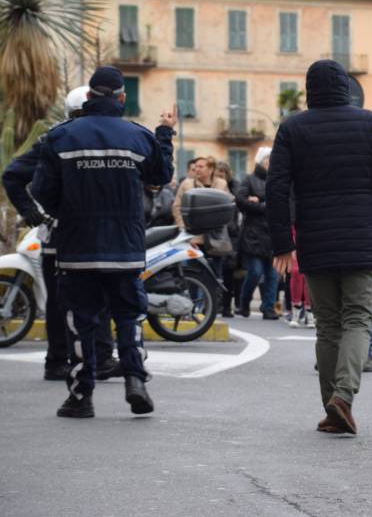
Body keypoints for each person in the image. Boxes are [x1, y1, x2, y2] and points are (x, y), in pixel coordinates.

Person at [266, 59, 372, 436]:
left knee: (327, 325)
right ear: (346, 86)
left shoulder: (293, 128)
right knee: (358, 319)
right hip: (361, 237)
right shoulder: (370, 123)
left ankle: (332, 405)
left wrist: (282, 242)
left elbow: (276, 188)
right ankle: (343, 398)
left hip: (316, 238)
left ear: (310, 89)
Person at [30, 66, 175, 418]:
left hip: (77, 248)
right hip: (124, 248)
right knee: (129, 315)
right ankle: (136, 381)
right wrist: (165, 135)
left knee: (81, 321)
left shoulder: (61, 137)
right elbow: (162, 175)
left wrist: (69, 213)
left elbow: (41, 191)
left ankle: (81, 397)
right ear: (122, 97)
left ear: (89, 95)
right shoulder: (137, 137)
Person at [2, 86, 119, 382]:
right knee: (60, 302)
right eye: (83, 114)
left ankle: (102, 357)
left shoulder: (103, 140)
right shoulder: (54, 140)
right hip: (61, 235)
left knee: (99, 297)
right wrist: (30, 211)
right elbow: (14, 175)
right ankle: (57, 360)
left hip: (94, 234)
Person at [172, 155, 232, 307]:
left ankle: (211, 307)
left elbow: (227, 206)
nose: (197, 169)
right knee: (193, 274)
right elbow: (177, 207)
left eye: (201, 166)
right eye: (196, 166)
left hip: (215, 238)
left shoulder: (221, 184)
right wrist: (183, 228)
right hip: (193, 238)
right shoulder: (187, 184)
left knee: (215, 275)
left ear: (210, 169)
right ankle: (193, 306)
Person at [236, 147, 279, 320]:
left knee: (273, 275)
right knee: (255, 272)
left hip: (274, 234)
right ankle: (244, 302)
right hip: (253, 235)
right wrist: (262, 206)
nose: (272, 163)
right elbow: (240, 200)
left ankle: (268, 308)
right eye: (269, 160)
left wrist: (259, 202)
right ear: (261, 162)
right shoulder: (249, 180)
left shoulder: (279, 179)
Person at [213, 161, 241, 317]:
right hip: (217, 233)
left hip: (231, 234)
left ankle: (226, 307)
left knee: (229, 272)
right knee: (217, 272)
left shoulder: (235, 188)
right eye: (217, 175)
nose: (220, 178)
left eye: (223, 174)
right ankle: (216, 305)